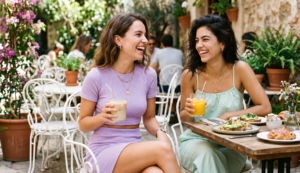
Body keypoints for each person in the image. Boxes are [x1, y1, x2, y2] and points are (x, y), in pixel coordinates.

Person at [79, 13, 181, 173]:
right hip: (103, 152)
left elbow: (149, 118)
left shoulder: (149, 75)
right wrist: (102, 117)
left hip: (133, 149)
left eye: (145, 35)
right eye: (138, 34)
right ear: (118, 39)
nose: (146, 41)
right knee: (163, 150)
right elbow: (83, 124)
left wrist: (160, 132)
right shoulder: (96, 76)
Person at [179, 15, 272, 173]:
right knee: (208, 155)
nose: (199, 45)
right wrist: (188, 112)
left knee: (210, 164)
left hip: (232, 145)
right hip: (196, 142)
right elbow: (184, 117)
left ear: (222, 43)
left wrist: (230, 115)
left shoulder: (240, 69)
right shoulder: (190, 74)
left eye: (205, 39)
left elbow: (265, 107)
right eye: (197, 40)